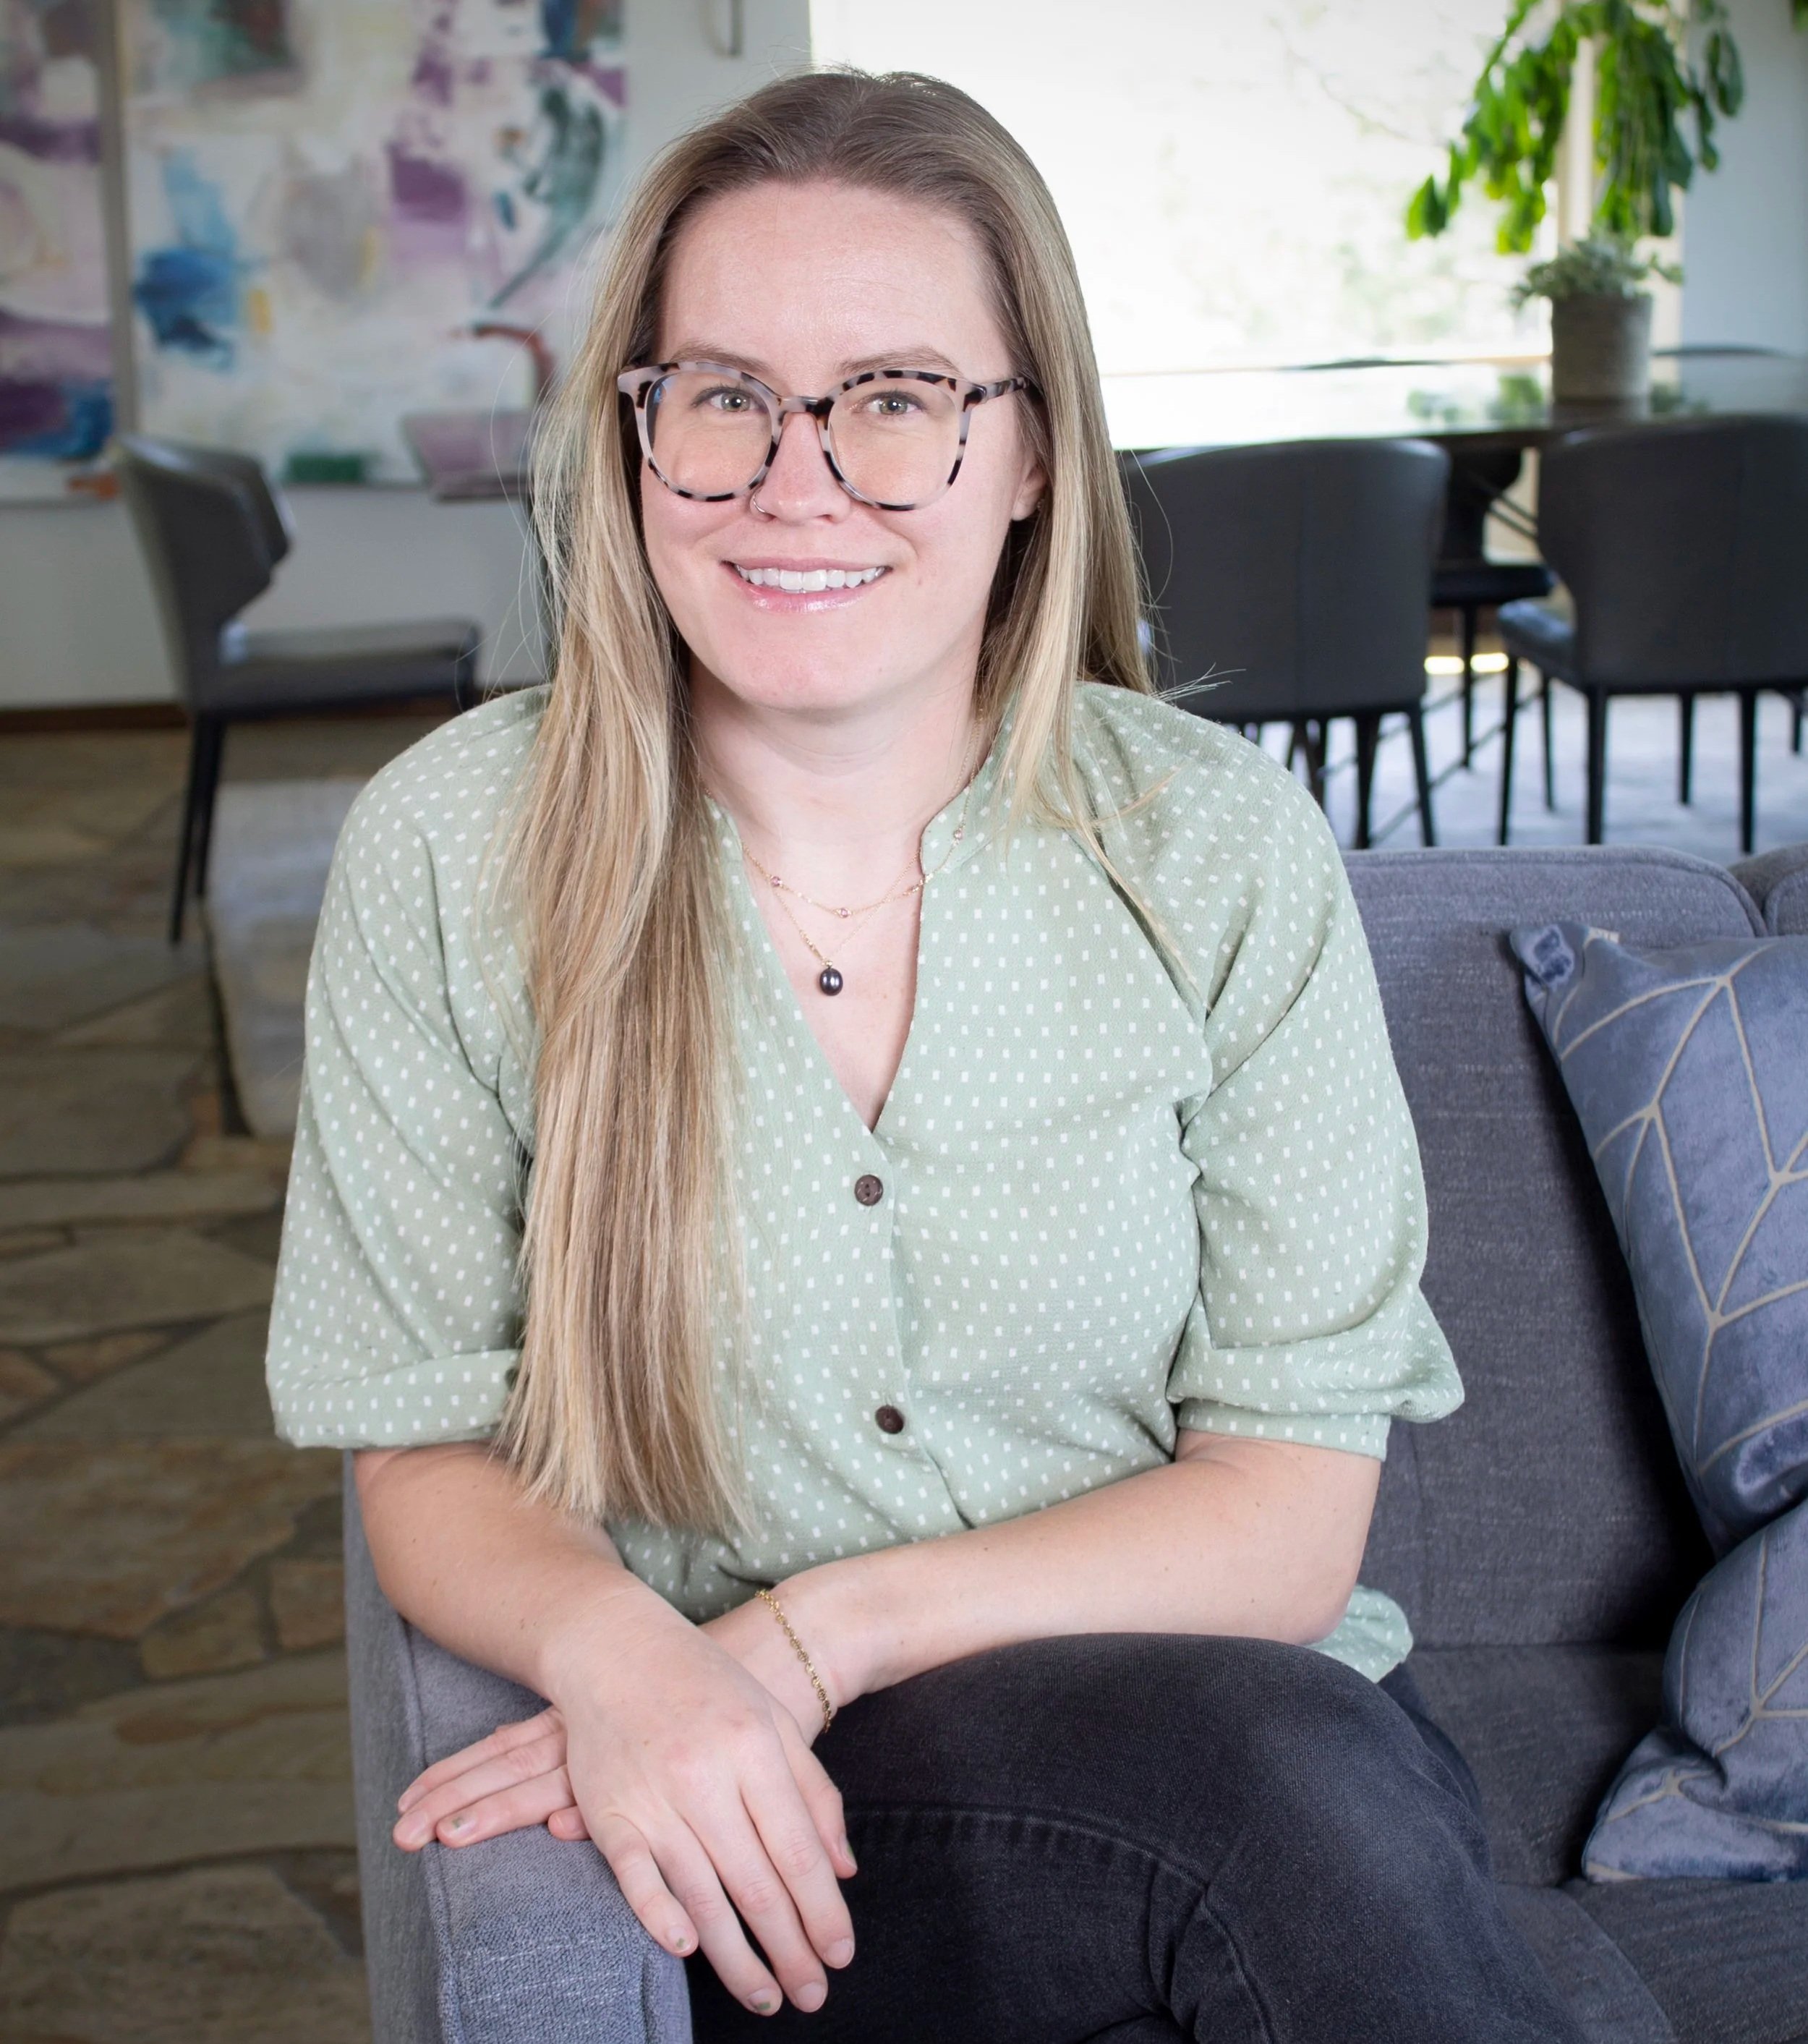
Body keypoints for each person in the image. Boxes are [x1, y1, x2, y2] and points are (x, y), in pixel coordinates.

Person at [265, 66, 1587, 2044]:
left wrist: (808, 1636)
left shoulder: (1214, 846)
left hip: (1235, 1734)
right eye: (723, 395)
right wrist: (626, 1659)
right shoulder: (456, 852)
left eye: (894, 399)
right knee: (1291, 1813)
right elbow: (427, 1435)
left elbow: (1290, 1516)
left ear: (1032, 449)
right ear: (634, 435)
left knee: (1288, 1796)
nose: (794, 481)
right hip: (804, 1814)